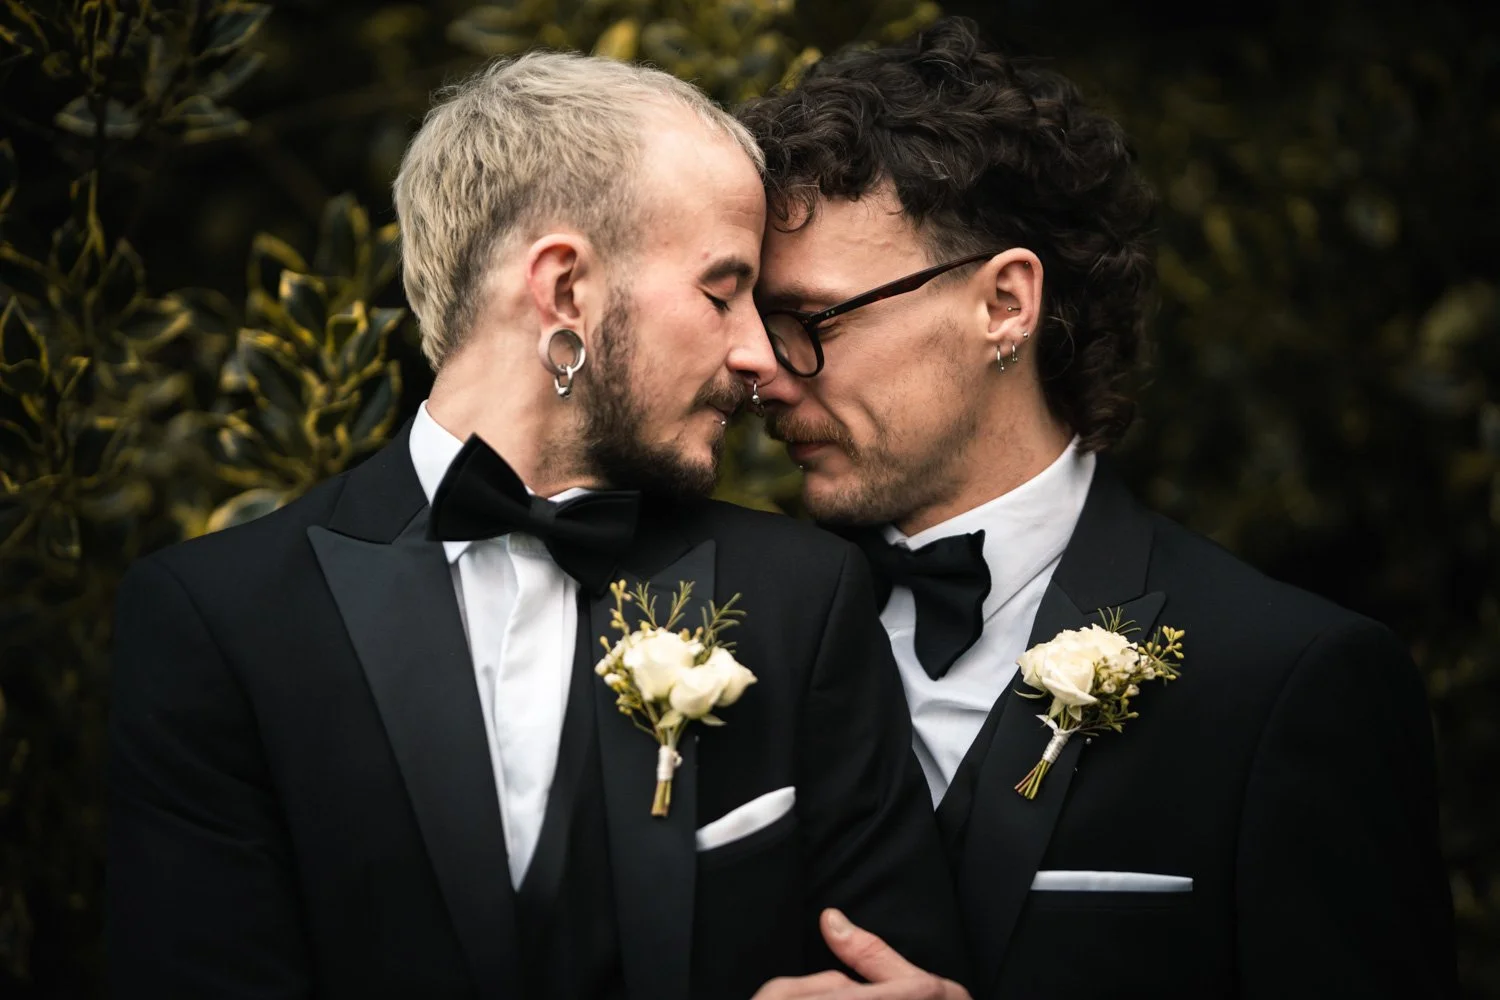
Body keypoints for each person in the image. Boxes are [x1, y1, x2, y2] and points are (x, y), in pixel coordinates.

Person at [108, 51, 966, 1000]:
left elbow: (909, 971)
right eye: (722, 292)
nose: (759, 355)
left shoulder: (802, 600)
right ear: (565, 292)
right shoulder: (218, 623)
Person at [741, 17, 1456, 1000]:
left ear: (1004, 304)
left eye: (810, 323)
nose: (767, 377)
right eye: (755, 325)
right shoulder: (742, 646)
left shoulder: (1288, 679)